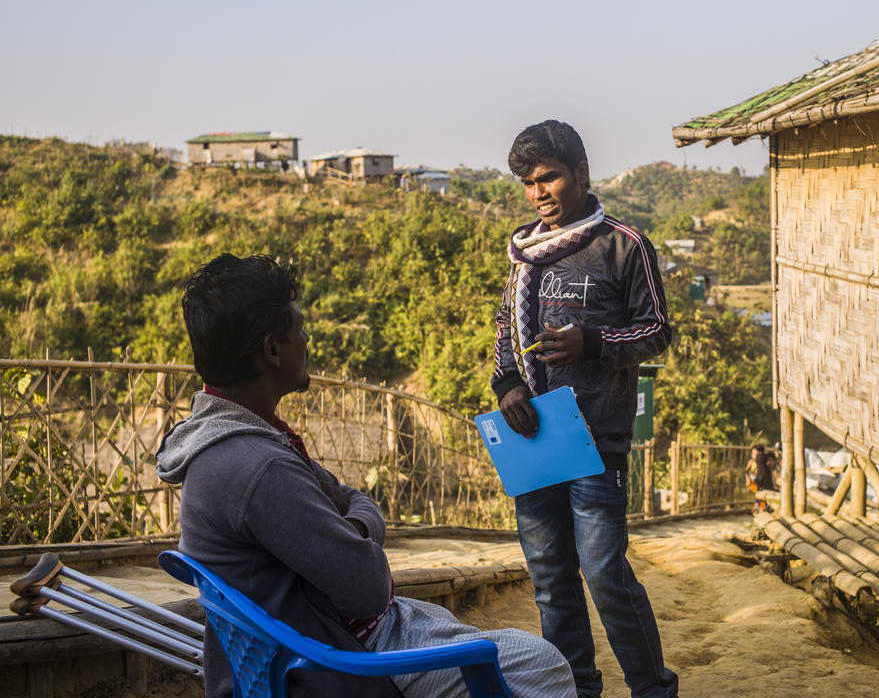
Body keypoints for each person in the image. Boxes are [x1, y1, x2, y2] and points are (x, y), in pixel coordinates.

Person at [156, 254, 574, 698]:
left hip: (300, 642)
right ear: (271, 350)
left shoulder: (229, 438)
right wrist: (361, 527)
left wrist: (350, 524)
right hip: (333, 659)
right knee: (542, 664)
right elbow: (370, 588)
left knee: (462, 630)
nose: (307, 338)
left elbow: (343, 496)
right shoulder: (260, 467)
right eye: (299, 328)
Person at [491, 120, 678, 698]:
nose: (539, 191)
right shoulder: (524, 253)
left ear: (581, 174)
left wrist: (592, 343)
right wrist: (508, 388)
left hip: (597, 439)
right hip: (534, 441)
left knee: (604, 574)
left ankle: (653, 689)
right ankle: (576, 689)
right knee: (550, 581)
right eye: (528, 182)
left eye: (549, 177)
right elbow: (505, 331)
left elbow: (657, 332)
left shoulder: (624, 245)